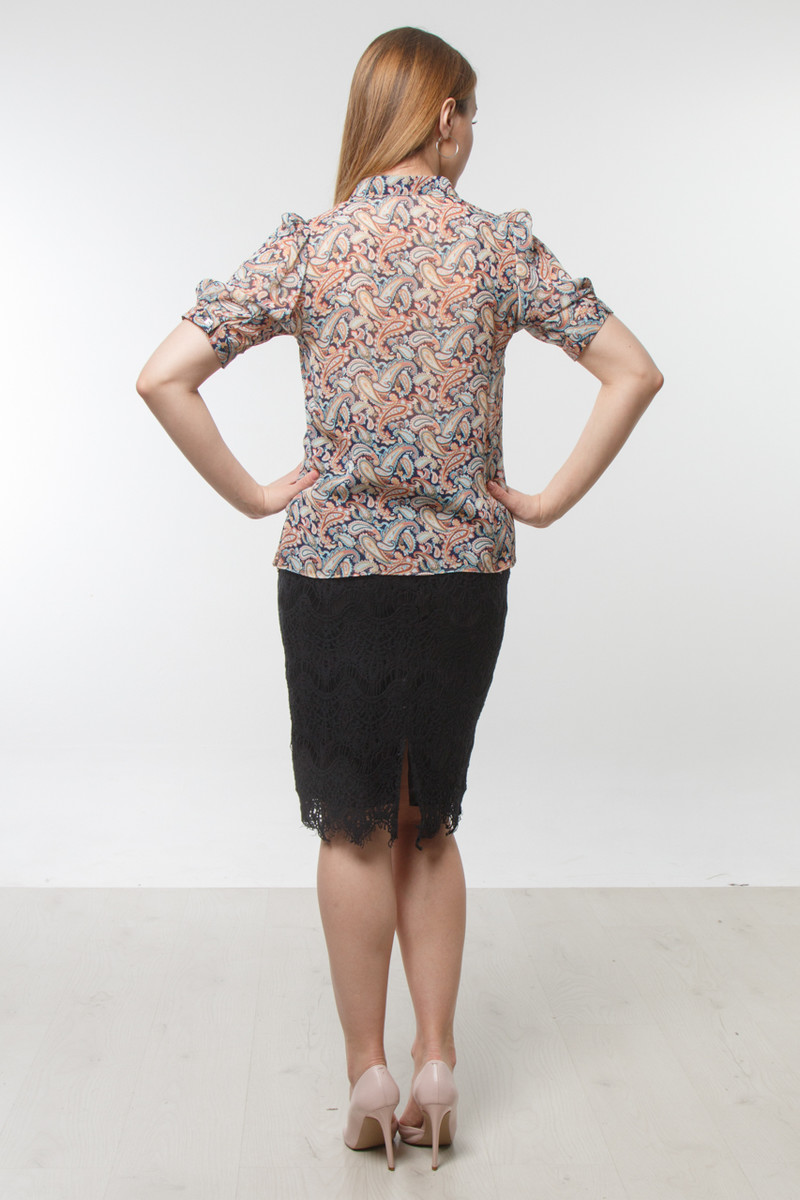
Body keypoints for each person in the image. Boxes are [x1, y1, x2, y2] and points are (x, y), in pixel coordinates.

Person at [136, 26, 663, 1172]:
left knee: (352, 823)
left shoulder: (309, 246)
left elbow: (163, 375)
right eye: (470, 115)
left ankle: (368, 1073)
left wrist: (254, 494)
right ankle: (436, 1062)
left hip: (332, 576)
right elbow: (632, 369)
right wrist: (543, 501)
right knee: (430, 822)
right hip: (462, 577)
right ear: (444, 116)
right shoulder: (496, 247)